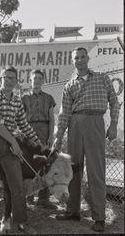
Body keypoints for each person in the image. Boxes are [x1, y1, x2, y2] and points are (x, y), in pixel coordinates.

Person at [54, 47, 120, 232]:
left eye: (83, 57)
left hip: (95, 123)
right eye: (76, 58)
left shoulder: (102, 77)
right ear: (73, 61)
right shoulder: (69, 86)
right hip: (74, 124)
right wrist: (58, 138)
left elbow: (114, 102)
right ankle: (72, 211)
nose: (80, 60)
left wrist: (114, 124)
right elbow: (64, 114)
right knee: (73, 170)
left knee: (96, 172)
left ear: (87, 58)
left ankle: (99, 217)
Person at [0, 66, 41, 234]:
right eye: (6, 77)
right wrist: (15, 143)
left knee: (17, 185)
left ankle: (20, 222)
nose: (9, 81)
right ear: (1, 79)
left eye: (13, 78)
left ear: (17, 81)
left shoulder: (17, 100)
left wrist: (38, 143)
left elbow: (23, 124)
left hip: (9, 145)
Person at [22, 69, 56, 209]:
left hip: (43, 130)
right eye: (34, 78)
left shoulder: (49, 98)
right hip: (28, 130)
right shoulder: (24, 98)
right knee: (27, 163)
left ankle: (43, 198)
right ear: (30, 81)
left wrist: (50, 136)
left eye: (39, 78)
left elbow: (52, 119)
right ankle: (28, 196)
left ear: (43, 81)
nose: (36, 81)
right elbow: (21, 119)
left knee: (44, 164)